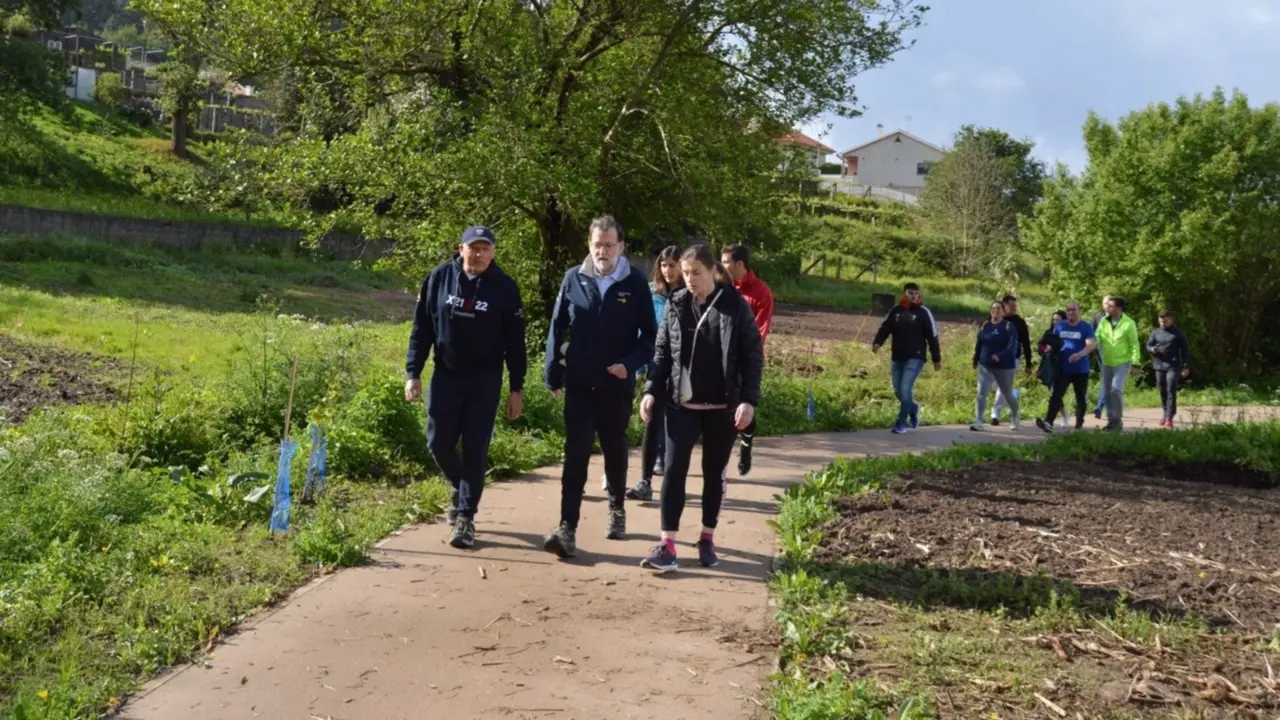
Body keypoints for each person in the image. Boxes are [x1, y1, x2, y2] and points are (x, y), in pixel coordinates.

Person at [637, 244, 763, 573]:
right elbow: (662, 351)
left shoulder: (734, 305)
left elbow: (752, 355)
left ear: (712, 272)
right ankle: (667, 544)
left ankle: (707, 538)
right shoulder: (677, 303)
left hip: (722, 407)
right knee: (674, 470)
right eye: (686, 272)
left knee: (712, 473)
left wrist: (748, 400)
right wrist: (651, 390)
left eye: (696, 273)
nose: (689, 279)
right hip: (682, 404)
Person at [404, 226, 526, 549]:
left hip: (484, 380)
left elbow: (516, 344)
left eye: (485, 248)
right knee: (437, 442)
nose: (479, 254)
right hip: (446, 374)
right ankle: (463, 486)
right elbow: (421, 329)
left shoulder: (505, 288)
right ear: (461, 248)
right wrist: (413, 372)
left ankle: (465, 517)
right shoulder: (439, 279)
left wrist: (517, 388)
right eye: (473, 247)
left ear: (494, 252)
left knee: (475, 447)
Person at [542, 215, 657, 559]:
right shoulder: (573, 279)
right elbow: (556, 327)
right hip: (579, 381)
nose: (602, 251)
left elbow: (650, 336)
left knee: (614, 447)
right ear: (589, 246)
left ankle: (616, 508)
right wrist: (553, 373)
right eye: (597, 245)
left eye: (609, 245)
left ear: (621, 246)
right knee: (575, 453)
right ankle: (567, 527)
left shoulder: (635, 283)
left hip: (615, 383)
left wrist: (630, 365)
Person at [625, 246, 685, 502]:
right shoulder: (651, 293)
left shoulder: (689, 295)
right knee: (652, 421)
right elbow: (642, 330)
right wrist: (637, 363)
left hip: (683, 370)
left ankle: (673, 482)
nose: (668, 270)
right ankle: (645, 481)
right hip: (655, 365)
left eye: (673, 265)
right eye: (664, 265)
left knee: (677, 428)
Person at [720, 243, 774, 477]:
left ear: (740, 265)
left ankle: (746, 444)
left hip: (745, 360)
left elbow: (761, 329)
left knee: (745, 407)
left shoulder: (761, 292)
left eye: (725, 263)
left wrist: (749, 360)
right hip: (721, 360)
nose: (721, 267)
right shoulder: (720, 287)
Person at [872, 282, 942, 434]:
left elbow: (933, 336)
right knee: (898, 391)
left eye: (915, 293)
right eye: (910, 293)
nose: (913, 296)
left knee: (905, 388)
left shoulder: (924, 313)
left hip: (916, 357)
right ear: (904, 294)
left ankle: (901, 423)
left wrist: (936, 359)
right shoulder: (895, 311)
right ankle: (914, 407)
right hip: (897, 356)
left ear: (919, 295)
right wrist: (877, 342)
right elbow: (885, 328)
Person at [1035, 301, 1096, 433]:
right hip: (1063, 368)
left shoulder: (1086, 327)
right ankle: (1048, 423)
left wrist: (1079, 355)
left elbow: (1090, 345)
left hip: (1080, 369)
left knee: (1080, 398)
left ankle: (1079, 424)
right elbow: (1053, 343)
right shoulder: (1060, 327)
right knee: (1056, 396)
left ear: (1079, 311)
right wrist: (1047, 349)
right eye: (1068, 310)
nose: (1071, 312)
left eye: (1073, 310)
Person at [970, 301, 1020, 431]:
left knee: (1007, 393)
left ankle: (1014, 417)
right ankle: (979, 420)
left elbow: (1012, 346)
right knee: (981, 393)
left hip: (1005, 366)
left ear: (1003, 311)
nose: (995, 311)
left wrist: (1000, 355)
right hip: (986, 365)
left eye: (998, 308)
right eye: (993, 308)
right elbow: (979, 343)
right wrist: (976, 359)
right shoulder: (985, 325)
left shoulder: (1009, 326)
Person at [1094, 296, 1142, 431]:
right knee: (1108, 392)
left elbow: (1134, 344)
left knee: (1116, 390)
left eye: (1111, 306)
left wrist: (1135, 363)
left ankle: (1118, 419)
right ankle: (1111, 421)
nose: (1107, 308)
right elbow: (1097, 337)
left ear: (1119, 308)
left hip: (1122, 362)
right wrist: (1091, 344)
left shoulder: (1129, 323)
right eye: (1107, 306)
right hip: (1107, 361)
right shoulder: (1103, 321)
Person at [990, 295, 1032, 426]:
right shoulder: (994, 320)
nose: (1014, 308)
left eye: (1015, 306)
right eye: (1012, 306)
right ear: (1004, 306)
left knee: (1003, 385)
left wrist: (1029, 363)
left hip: (1013, 358)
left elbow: (1026, 343)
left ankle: (995, 414)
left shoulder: (1019, 322)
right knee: (995, 385)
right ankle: (1013, 398)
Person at [1147, 309, 1191, 428]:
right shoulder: (1155, 332)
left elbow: (1185, 350)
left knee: (1170, 388)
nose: (1163, 323)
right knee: (1162, 390)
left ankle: (1169, 417)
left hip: (1173, 365)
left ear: (1170, 319)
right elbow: (1148, 345)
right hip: (1159, 365)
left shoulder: (1178, 333)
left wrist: (1186, 366)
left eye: (1165, 321)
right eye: (1161, 321)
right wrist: (1152, 349)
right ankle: (1165, 412)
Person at [1091, 296, 1114, 420]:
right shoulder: (1097, 317)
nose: (1107, 306)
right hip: (1102, 350)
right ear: (1102, 304)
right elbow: (1091, 331)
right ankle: (1099, 406)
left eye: (1110, 303)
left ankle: (1106, 406)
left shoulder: (1119, 317)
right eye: (1105, 303)